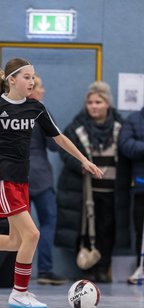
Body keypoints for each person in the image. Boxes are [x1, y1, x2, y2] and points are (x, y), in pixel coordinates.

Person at [0, 58, 103, 308]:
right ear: (11, 80)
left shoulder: (36, 108)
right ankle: (19, 292)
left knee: (15, 241)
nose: (31, 81)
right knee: (32, 234)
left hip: (22, 179)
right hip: (2, 178)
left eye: (34, 77)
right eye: (26, 77)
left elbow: (59, 138)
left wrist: (83, 160)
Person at [55, 81, 130, 283]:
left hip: (112, 191)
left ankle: (103, 268)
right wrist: (81, 165)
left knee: (108, 229)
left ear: (107, 104)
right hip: (84, 190)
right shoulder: (76, 127)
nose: (94, 106)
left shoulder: (120, 126)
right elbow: (64, 151)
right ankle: (86, 269)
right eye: (90, 102)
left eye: (98, 102)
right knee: (85, 229)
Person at [28, 75, 65, 285]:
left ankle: (13, 271)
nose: (43, 91)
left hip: (17, 175)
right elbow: (54, 145)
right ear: (31, 88)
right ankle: (45, 270)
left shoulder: (8, 109)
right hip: (41, 176)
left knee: (17, 228)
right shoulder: (41, 111)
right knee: (48, 222)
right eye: (40, 87)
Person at [119, 107, 144, 284]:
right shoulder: (134, 120)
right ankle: (141, 267)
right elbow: (125, 144)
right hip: (141, 185)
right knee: (141, 228)